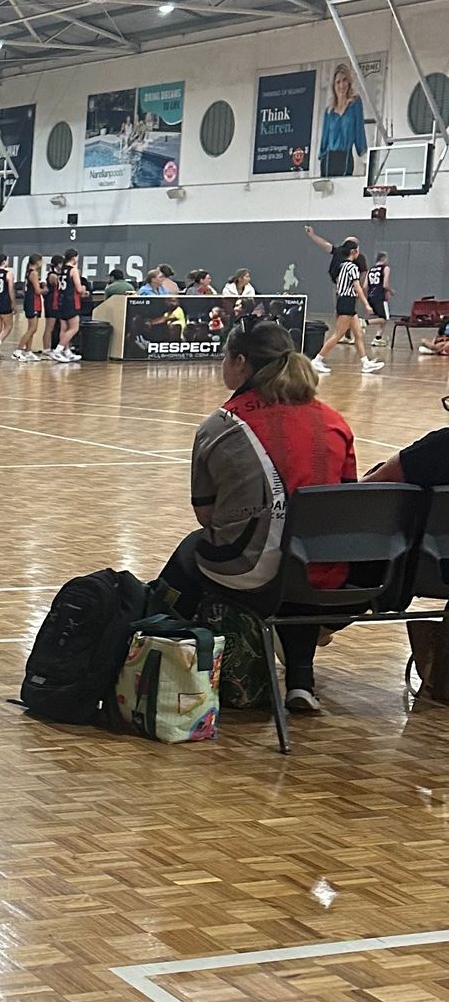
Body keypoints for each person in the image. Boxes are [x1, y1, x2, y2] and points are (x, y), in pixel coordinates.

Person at [157, 319, 355, 716]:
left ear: (240, 362)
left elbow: (206, 515)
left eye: (225, 357)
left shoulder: (220, 424)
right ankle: (300, 682)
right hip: (327, 573)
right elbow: (344, 500)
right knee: (297, 558)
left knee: (193, 551)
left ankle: (158, 652)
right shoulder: (335, 421)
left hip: (250, 572)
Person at [311, 235, 384, 376]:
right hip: (347, 302)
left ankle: (365, 363)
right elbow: (357, 287)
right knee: (338, 335)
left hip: (343, 301)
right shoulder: (352, 267)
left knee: (358, 334)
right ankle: (317, 360)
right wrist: (366, 304)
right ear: (353, 252)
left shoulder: (342, 266)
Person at [318, 62, 368, 181]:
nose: (342, 85)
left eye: (344, 80)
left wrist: (365, 159)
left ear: (349, 82)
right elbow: (324, 142)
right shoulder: (329, 111)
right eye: (338, 82)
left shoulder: (355, 104)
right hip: (329, 159)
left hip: (345, 157)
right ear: (333, 85)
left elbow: (359, 131)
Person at [15, 255, 48, 360]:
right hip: (33, 302)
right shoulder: (34, 273)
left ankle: (28, 351)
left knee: (31, 328)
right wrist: (45, 289)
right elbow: (38, 291)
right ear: (37, 262)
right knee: (32, 329)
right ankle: (18, 350)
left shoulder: (28, 272)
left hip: (30, 301)